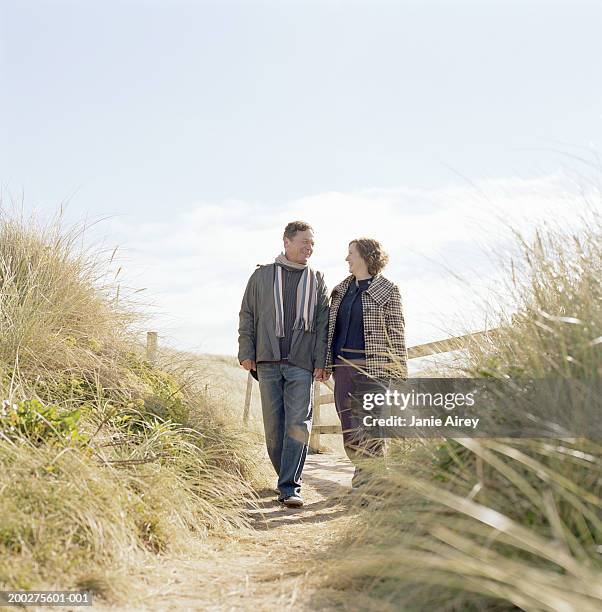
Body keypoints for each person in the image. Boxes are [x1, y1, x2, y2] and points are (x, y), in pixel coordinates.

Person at [238, 221, 329, 508]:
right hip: (267, 360)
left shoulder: (317, 279)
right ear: (287, 242)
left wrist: (321, 361)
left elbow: (323, 324)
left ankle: (290, 486)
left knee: (298, 424)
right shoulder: (261, 276)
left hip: (301, 363)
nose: (309, 247)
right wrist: (246, 350)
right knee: (274, 428)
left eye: (312, 243)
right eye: (304, 242)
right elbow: (248, 315)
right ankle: (284, 478)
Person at [324, 238, 407, 488]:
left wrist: (400, 374)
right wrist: (325, 363)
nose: (347, 258)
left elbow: (397, 333)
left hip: (374, 369)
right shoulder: (340, 291)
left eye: (351, 253)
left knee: (371, 427)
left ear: (366, 257)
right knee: (349, 427)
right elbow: (330, 331)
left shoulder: (388, 290)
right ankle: (364, 472)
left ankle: (371, 482)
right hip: (342, 368)